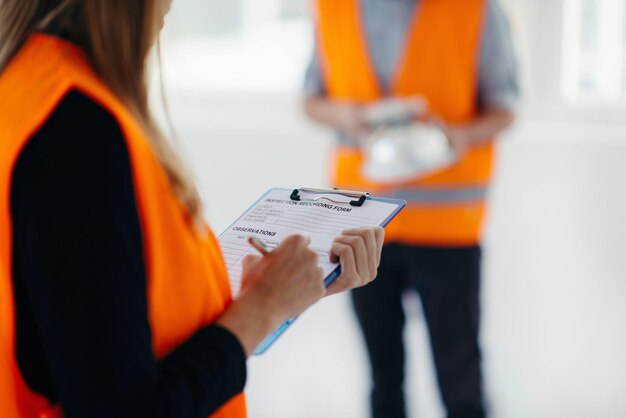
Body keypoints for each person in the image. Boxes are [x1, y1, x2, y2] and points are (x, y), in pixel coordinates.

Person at [0, 1, 385, 417]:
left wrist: (281, 291)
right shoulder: (77, 131)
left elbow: (103, 328)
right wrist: (259, 312)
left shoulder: (31, 89)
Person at [304, 0, 520, 417]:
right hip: (362, 224)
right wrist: (344, 115)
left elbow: (505, 105)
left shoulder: (476, 10)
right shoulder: (332, 9)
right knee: (384, 385)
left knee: (461, 383)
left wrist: (458, 135)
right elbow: (310, 98)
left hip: (447, 227)